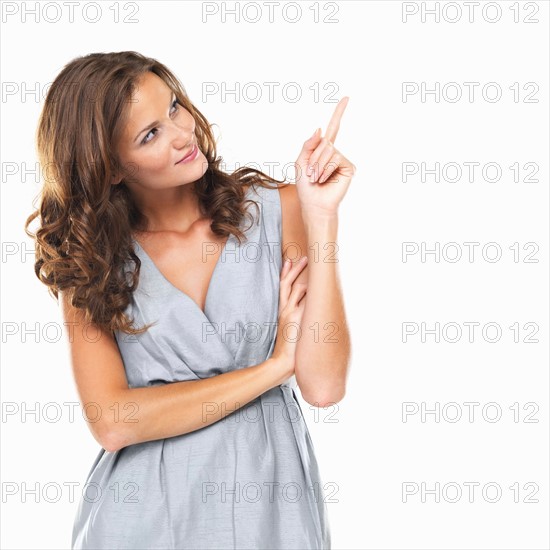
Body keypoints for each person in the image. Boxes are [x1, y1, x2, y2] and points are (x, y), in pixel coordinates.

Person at [24, 50, 354, 549]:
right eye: (150, 134)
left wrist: (321, 216)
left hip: (273, 513)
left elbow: (324, 385)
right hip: (141, 522)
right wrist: (273, 367)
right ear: (110, 167)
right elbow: (113, 421)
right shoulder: (89, 259)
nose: (183, 134)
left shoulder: (281, 210)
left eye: (174, 106)